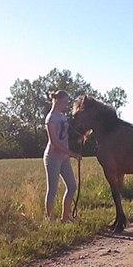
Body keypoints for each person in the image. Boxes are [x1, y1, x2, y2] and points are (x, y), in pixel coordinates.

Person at [44, 90, 81, 222]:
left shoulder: (63, 117)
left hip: (64, 158)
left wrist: (80, 137)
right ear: (58, 101)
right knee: (52, 190)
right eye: (65, 102)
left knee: (72, 186)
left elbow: (66, 135)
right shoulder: (50, 119)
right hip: (53, 158)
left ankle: (65, 218)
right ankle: (50, 220)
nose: (67, 105)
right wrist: (73, 154)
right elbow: (55, 143)